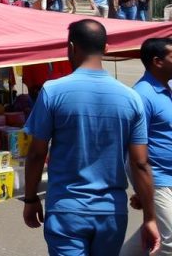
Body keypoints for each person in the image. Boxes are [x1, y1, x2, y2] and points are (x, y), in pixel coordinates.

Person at [22, 19, 158, 256]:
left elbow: (36, 153)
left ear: (71, 47)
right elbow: (140, 163)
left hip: (67, 209)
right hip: (111, 213)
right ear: (106, 48)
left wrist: (31, 198)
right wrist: (150, 218)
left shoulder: (52, 91)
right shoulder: (131, 97)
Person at [121, 38, 172, 256]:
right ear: (157, 62)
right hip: (157, 180)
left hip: (168, 178)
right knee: (169, 244)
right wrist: (143, 190)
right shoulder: (142, 95)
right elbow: (130, 150)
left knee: (153, 236)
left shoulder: (166, 89)